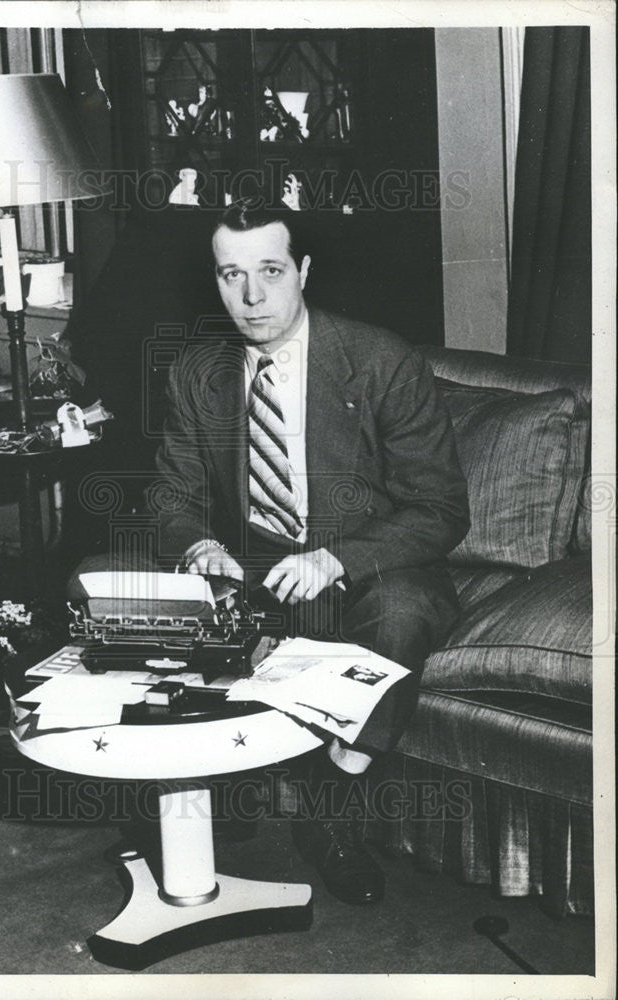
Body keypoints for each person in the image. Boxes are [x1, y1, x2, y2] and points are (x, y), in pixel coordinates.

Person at [71, 200, 469, 904]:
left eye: (269, 271)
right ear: (215, 279)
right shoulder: (199, 371)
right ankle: (211, 785)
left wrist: (333, 559)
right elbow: (170, 494)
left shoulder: (378, 360)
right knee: (105, 586)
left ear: (302, 271)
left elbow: (439, 510)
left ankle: (332, 804)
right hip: (250, 560)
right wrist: (197, 545)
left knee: (402, 615)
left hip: (370, 562)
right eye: (231, 275)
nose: (251, 297)